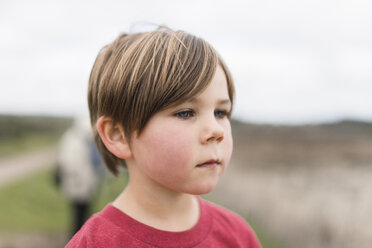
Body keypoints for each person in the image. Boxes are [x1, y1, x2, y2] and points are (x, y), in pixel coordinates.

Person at [66, 27, 261, 247]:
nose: (217, 131)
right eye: (185, 113)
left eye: (221, 113)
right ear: (119, 135)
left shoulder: (237, 235)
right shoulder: (94, 243)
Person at [56, 117, 105, 236]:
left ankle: (81, 235)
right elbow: (69, 162)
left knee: (82, 211)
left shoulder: (74, 138)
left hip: (83, 183)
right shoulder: (76, 140)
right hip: (77, 183)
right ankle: (78, 237)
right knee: (79, 212)